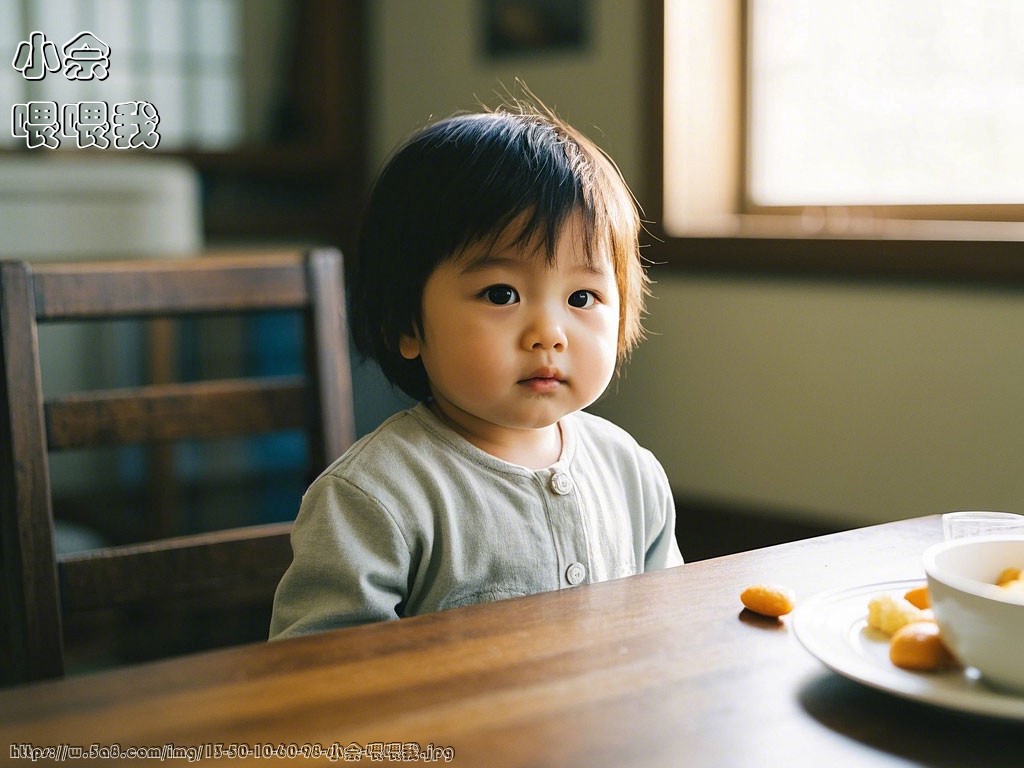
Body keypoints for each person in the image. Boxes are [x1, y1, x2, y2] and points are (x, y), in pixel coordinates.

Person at [269, 99, 684, 639]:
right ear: (408, 325)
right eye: (501, 293)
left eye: (582, 296)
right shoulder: (373, 497)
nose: (550, 333)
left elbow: (670, 624)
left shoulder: (631, 472)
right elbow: (316, 674)